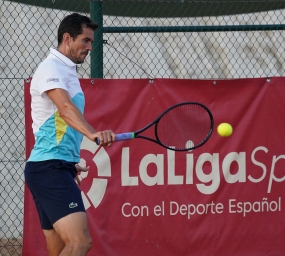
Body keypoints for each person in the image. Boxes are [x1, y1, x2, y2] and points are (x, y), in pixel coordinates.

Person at [24, 13, 115, 256]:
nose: (89, 47)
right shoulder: (50, 68)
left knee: (61, 249)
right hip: (49, 168)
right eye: (85, 40)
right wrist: (94, 134)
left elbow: (58, 123)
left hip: (54, 166)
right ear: (67, 38)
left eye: (92, 42)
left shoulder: (67, 71)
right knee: (80, 243)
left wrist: (70, 161)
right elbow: (64, 109)